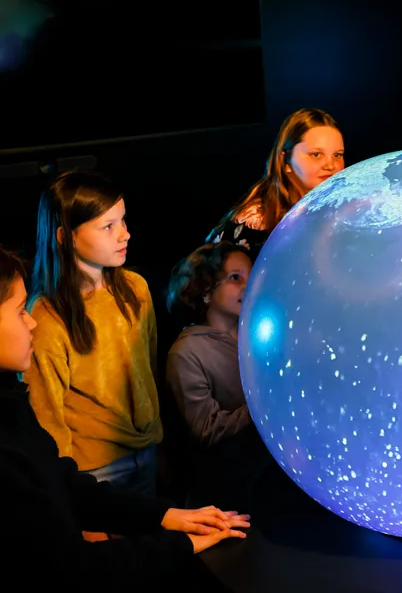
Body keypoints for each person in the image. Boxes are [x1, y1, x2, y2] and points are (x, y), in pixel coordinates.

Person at [0, 244, 249, 590]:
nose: (31, 321)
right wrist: (181, 544)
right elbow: (70, 565)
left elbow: (63, 483)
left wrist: (165, 515)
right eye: (18, 311)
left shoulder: (12, 406)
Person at [24, 170, 163, 498]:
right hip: (93, 470)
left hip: (146, 450)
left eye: (123, 220)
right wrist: (66, 484)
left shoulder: (136, 288)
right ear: (65, 236)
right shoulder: (46, 317)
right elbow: (46, 414)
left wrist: (158, 440)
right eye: (108, 226)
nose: (125, 234)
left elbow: (150, 368)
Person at [166, 241, 271, 510]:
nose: (249, 286)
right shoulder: (187, 352)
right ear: (205, 289)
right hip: (227, 491)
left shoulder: (258, 333)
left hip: (271, 478)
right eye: (235, 278)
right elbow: (206, 429)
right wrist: (265, 406)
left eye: (252, 277)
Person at [207, 108, 346, 256]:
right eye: (316, 154)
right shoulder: (255, 224)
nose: (331, 165)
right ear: (286, 161)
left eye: (337, 155)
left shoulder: (341, 207)